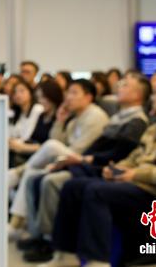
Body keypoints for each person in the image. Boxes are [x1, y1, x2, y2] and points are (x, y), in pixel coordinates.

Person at [42, 75, 156, 267]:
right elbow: (135, 157)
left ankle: (98, 261)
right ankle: (65, 254)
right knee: (73, 186)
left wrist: (135, 174)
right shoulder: (155, 129)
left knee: (96, 191)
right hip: (137, 186)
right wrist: (116, 170)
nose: (152, 98)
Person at [19, 73, 150, 262]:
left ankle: (55, 244)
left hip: (103, 167)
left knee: (55, 181)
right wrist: (61, 122)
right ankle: (50, 242)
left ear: (138, 95)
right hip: (94, 164)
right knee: (38, 178)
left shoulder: (136, 121)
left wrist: (85, 160)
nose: (119, 87)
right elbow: (78, 144)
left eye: (125, 85)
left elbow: (119, 153)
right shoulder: (117, 118)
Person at [8, 79, 109, 238]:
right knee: (32, 173)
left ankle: (17, 173)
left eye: (74, 93)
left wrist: (55, 160)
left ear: (88, 97)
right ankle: (20, 225)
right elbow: (58, 141)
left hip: (83, 161)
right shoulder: (75, 118)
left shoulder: (95, 116)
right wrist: (60, 121)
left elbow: (76, 150)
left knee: (50, 147)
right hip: (69, 157)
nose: (68, 97)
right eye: (68, 93)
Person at [9, 78, 62, 167]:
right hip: (33, 154)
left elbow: (52, 143)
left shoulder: (57, 117)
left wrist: (22, 147)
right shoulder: (42, 115)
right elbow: (32, 138)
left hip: (44, 158)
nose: (40, 101)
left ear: (52, 96)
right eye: (39, 97)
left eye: (43, 97)